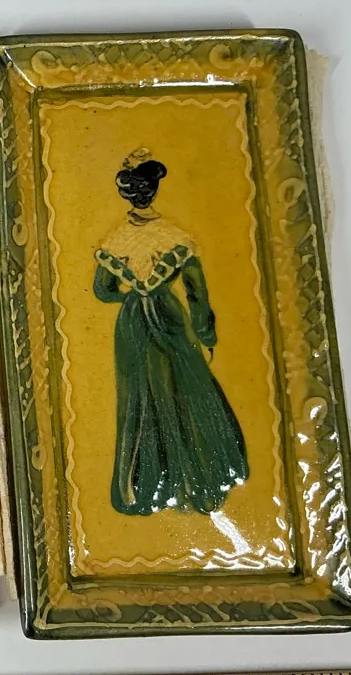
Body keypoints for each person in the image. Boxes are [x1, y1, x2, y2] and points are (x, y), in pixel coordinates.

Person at [92, 148, 248, 515]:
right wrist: (206, 334)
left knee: (141, 395)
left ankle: (145, 481)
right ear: (154, 190)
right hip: (169, 316)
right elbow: (196, 292)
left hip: (132, 322)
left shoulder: (115, 240)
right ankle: (197, 477)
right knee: (183, 388)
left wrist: (131, 296)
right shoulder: (175, 237)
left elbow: (103, 290)